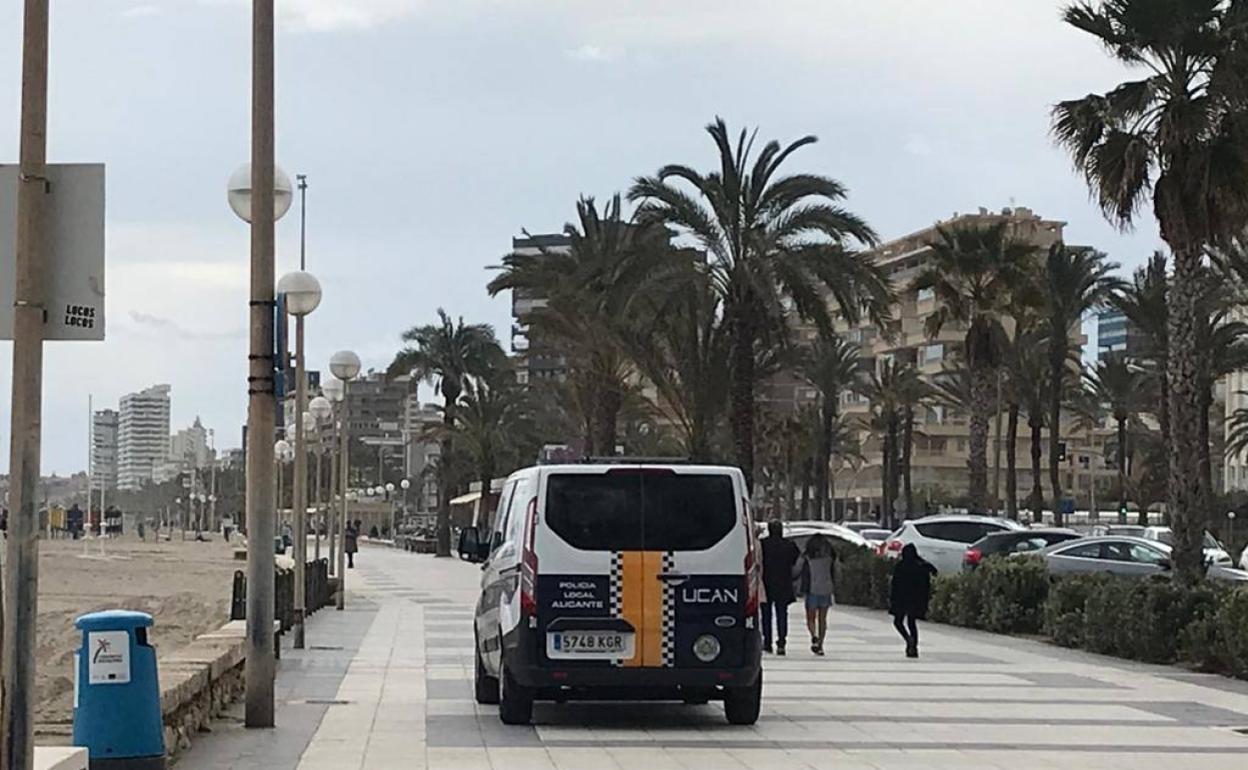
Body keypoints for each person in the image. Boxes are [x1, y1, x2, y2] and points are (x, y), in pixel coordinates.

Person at [760, 519, 800, 655]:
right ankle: (782, 642)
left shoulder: (763, 544)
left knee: (766, 614)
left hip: (767, 583)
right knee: (782, 614)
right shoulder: (789, 545)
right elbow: (795, 560)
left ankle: (767, 642)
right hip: (783, 583)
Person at [890, 543, 937, 658]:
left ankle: (908, 639)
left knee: (898, 621)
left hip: (901, 598)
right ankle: (913, 647)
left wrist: (892, 599)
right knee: (912, 622)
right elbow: (934, 571)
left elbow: (894, 584)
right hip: (915, 599)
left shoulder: (900, 566)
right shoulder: (920, 566)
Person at [796, 533, 837, 656]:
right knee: (822, 619)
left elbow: (797, 569)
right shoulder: (830, 557)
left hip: (812, 589)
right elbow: (837, 571)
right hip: (826, 588)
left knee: (810, 617)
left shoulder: (807, 557)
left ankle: (814, 635)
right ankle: (820, 644)